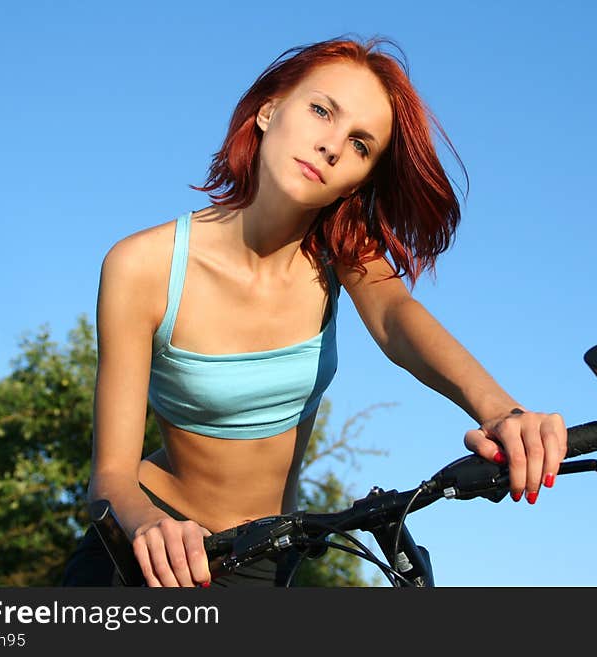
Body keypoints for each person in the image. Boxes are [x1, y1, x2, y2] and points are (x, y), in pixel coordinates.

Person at [61, 35, 567, 588]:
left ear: (362, 177)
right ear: (268, 109)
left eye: (359, 144)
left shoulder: (341, 254)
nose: (331, 145)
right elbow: (110, 478)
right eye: (321, 110)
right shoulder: (143, 265)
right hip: (154, 549)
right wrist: (150, 527)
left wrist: (500, 410)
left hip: (271, 557)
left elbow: (397, 319)